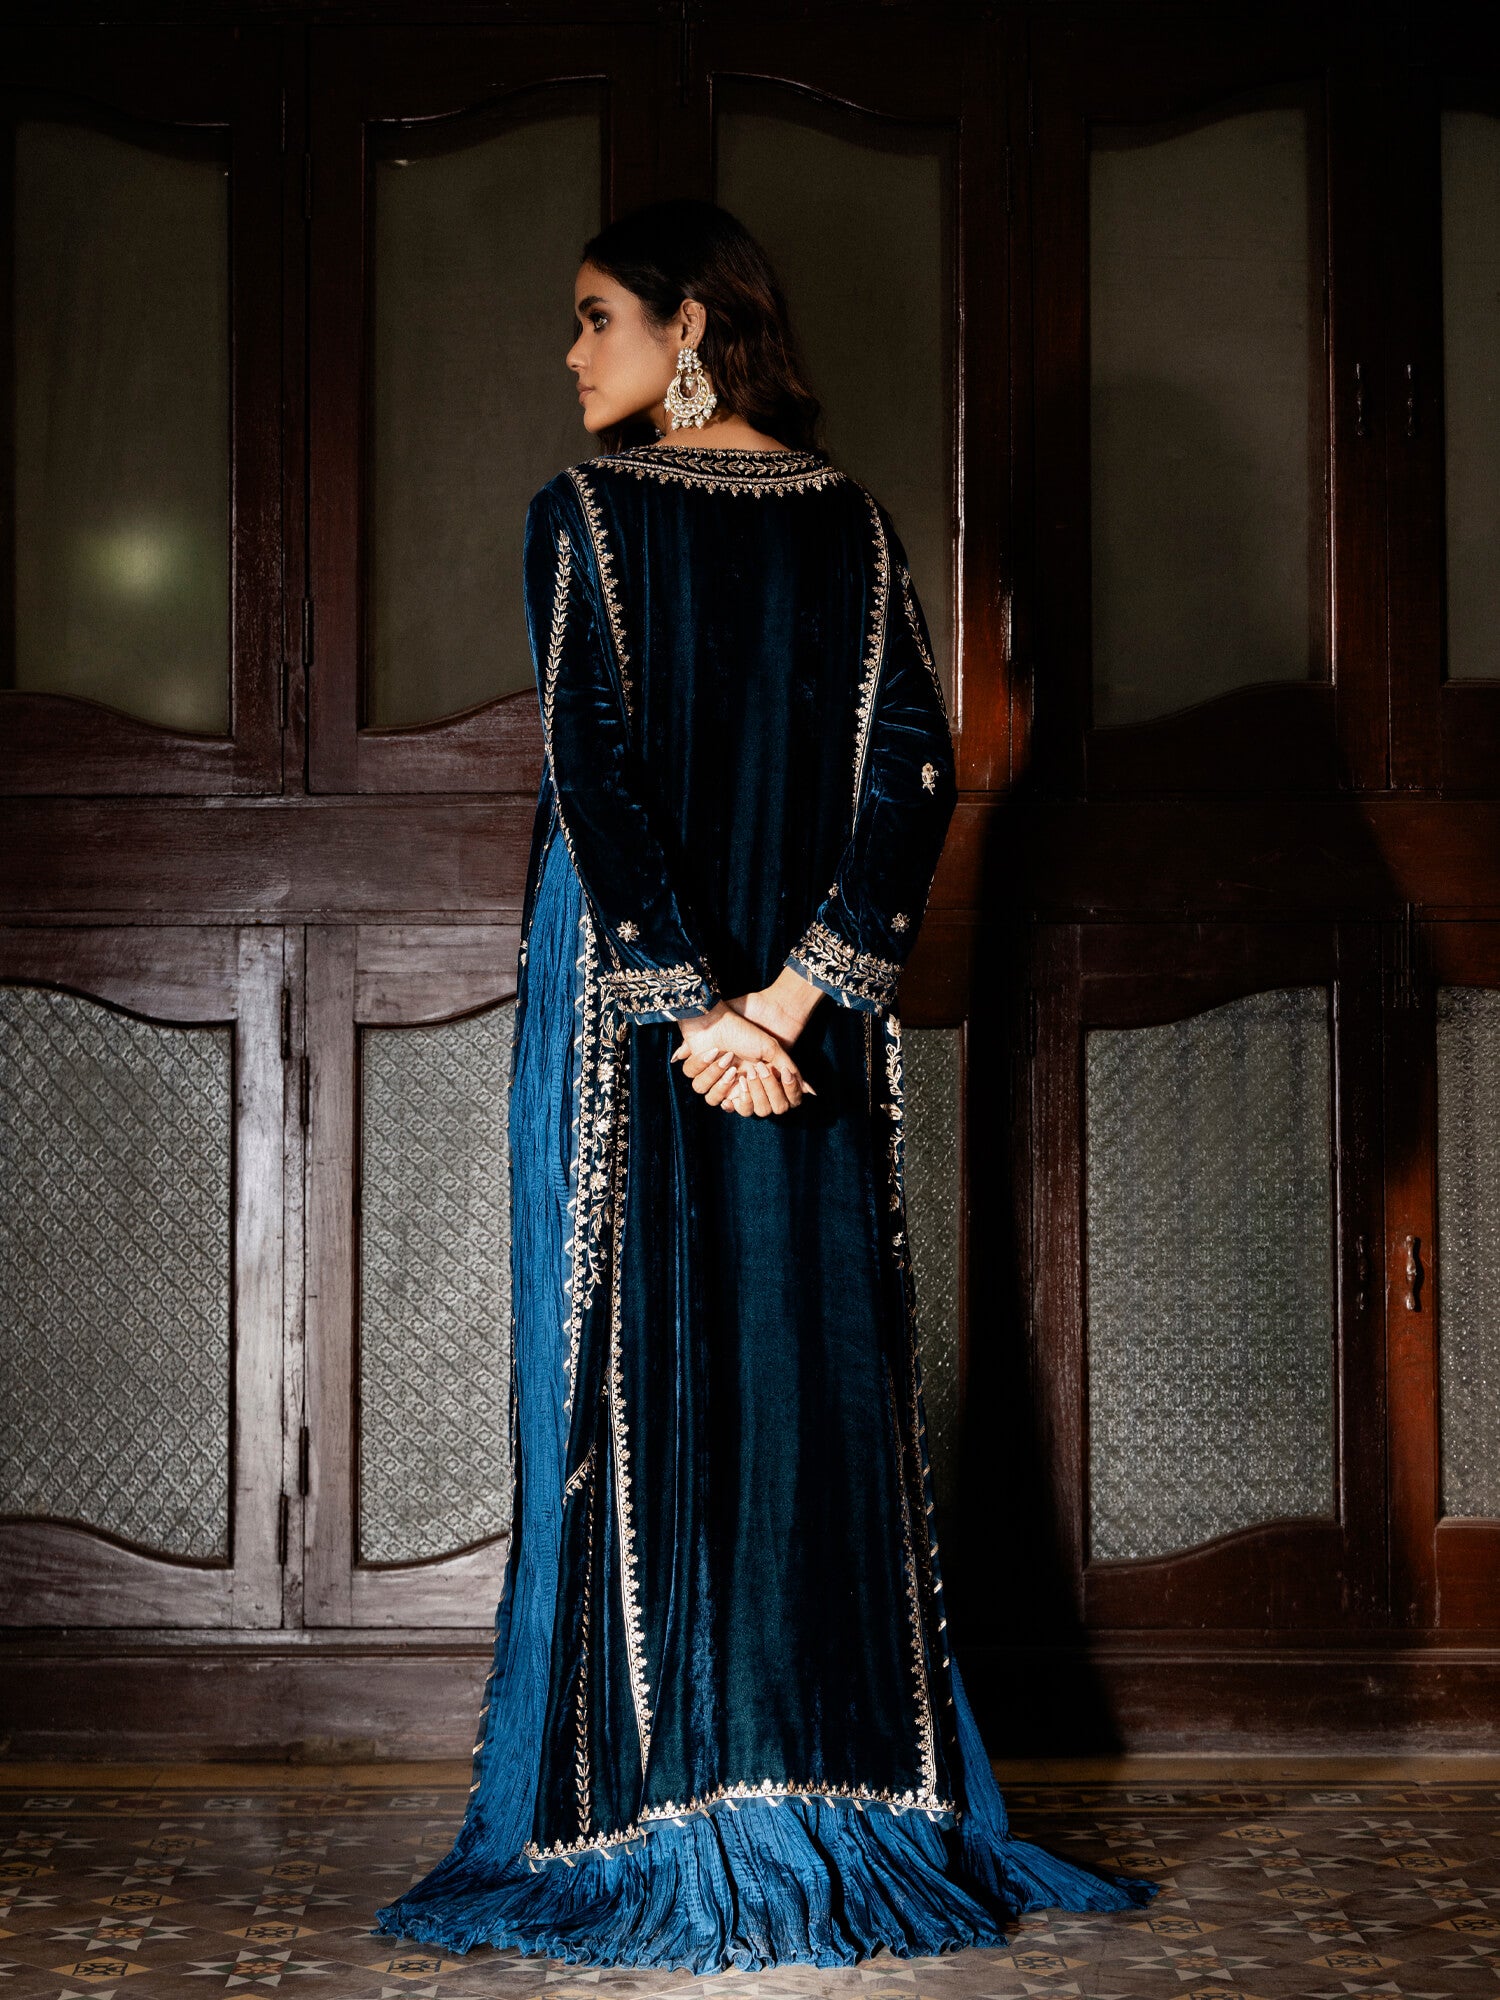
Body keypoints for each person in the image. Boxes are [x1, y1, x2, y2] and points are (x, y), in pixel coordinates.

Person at [371, 198, 1158, 1972]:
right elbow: (916, 780)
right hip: (813, 1024)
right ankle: (837, 1787)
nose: (571, 353)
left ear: (692, 330)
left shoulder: (582, 518)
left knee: (640, 1368)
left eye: (595, 316)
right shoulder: (852, 524)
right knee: (807, 1364)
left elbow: (594, 780)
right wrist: (795, 1006)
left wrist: (694, 1013)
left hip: (631, 1016)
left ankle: (633, 1808)